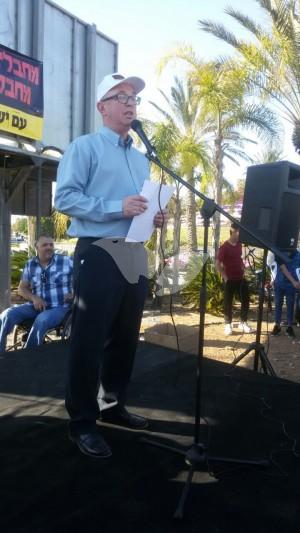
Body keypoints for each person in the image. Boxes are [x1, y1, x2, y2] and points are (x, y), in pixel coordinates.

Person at [54, 72, 167, 459]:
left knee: (125, 337)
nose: (130, 101)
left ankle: (113, 406)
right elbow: (65, 198)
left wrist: (152, 216)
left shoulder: (141, 158)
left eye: (134, 96)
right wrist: (115, 207)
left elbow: (140, 206)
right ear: (102, 107)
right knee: (89, 340)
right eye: (120, 96)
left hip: (135, 252)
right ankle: (82, 422)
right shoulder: (84, 147)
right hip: (99, 250)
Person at [0, 235, 73, 352]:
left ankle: (29, 355)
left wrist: (75, 294)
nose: (49, 247)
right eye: (45, 245)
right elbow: (22, 288)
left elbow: (84, 279)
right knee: (6, 314)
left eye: (51, 245)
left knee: (42, 319)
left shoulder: (66, 261)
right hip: (35, 306)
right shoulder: (30, 264)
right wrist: (34, 298)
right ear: (37, 248)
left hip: (59, 307)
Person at [216, 223, 252, 335]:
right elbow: (217, 264)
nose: (241, 234)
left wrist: (242, 266)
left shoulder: (239, 244)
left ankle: (243, 322)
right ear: (234, 231)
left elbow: (239, 258)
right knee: (228, 302)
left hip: (240, 278)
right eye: (239, 231)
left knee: (245, 300)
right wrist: (225, 277)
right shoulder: (224, 247)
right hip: (230, 279)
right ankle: (228, 324)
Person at [268, 249, 300, 338]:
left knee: (290, 304)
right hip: (279, 283)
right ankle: (277, 325)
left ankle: (289, 327)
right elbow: (281, 268)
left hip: (291, 286)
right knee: (278, 303)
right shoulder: (280, 253)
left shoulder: (298, 255)